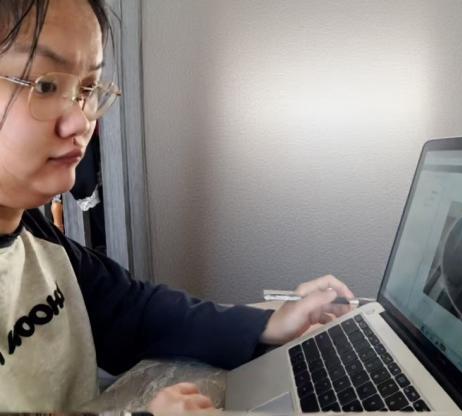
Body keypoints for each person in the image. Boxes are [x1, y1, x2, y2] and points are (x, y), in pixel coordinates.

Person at [0, 0, 355, 413]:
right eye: (45, 86)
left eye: (86, 90)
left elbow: (134, 310)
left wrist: (270, 322)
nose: (81, 122)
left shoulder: (37, 237)